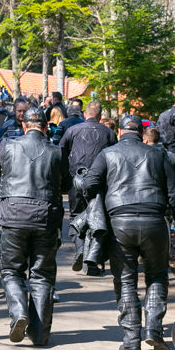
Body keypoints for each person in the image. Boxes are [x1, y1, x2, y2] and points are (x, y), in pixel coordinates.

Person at [82, 116, 175, 350]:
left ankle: (131, 341)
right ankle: (153, 330)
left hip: (120, 223)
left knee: (125, 280)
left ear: (120, 132)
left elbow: (89, 184)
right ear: (142, 133)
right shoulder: (159, 155)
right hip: (154, 222)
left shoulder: (108, 154)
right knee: (158, 276)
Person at [0, 107, 70, 346]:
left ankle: (19, 313)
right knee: (42, 275)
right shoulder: (57, 152)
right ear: (46, 127)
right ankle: (39, 333)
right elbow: (66, 184)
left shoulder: (8, 145)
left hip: (13, 215)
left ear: (24, 126)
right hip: (45, 216)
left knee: (12, 270)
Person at [59, 100, 116, 273]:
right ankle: (93, 261)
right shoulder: (108, 133)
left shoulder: (72, 131)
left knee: (77, 215)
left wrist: (64, 178)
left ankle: (80, 249)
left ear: (85, 115)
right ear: (100, 116)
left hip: (76, 180)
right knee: (98, 217)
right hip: (100, 182)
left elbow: (61, 152)